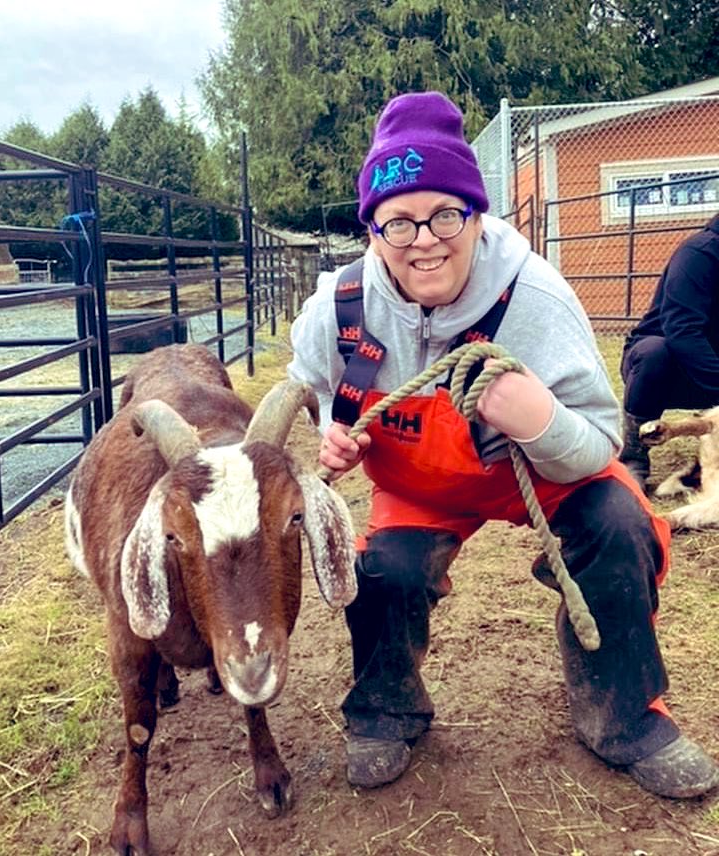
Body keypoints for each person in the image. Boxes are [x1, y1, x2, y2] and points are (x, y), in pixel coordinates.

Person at [287, 91, 719, 798]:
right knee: (385, 571)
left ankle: (626, 719)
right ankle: (387, 708)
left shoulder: (535, 299)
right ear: (372, 231)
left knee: (620, 526)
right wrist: (331, 433)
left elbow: (602, 439)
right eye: (398, 222)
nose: (424, 239)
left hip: (543, 473)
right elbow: (307, 392)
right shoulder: (336, 308)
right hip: (420, 486)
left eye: (445, 215)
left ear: (478, 215)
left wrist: (538, 417)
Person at [620, 212, 719, 489]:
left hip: (709, 364)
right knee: (655, 353)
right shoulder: (698, 255)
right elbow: (682, 332)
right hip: (668, 366)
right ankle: (633, 458)